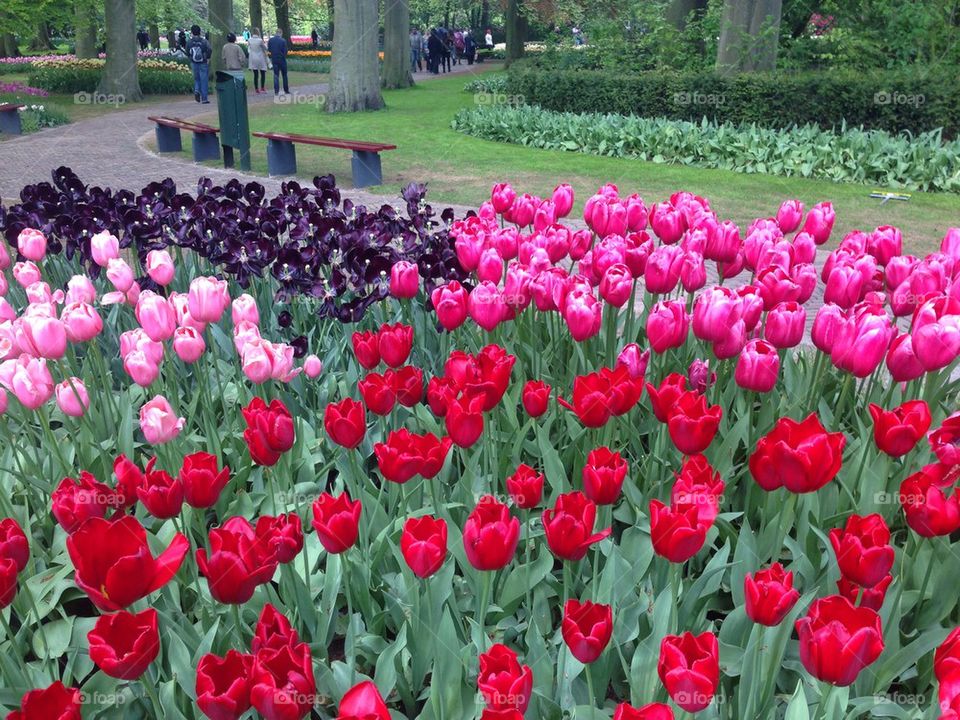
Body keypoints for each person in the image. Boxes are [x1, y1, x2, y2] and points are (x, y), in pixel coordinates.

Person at [186, 25, 212, 104]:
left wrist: (190, 58)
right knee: (204, 80)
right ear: (199, 31)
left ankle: (197, 90)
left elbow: (187, 51)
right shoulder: (204, 41)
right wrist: (207, 58)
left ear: (192, 32)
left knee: (196, 79)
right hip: (203, 62)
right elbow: (210, 49)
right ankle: (204, 99)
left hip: (194, 62)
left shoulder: (189, 42)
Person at [267, 29, 289, 96]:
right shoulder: (283, 41)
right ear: (281, 33)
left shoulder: (271, 40)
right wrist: (283, 55)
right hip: (282, 59)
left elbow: (269, 49)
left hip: (274, 59)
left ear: (276, 33)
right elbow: (285, 51)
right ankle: (286, 90)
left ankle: (276, 91)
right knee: (284, 75)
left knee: (276, 75)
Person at [247, 28, 269, 94]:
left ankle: (256, 88)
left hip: (253, 58)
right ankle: (262, 87)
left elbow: (249, 48)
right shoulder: (260, 40)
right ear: (258, 32)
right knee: (263, 72)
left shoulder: (249, 40)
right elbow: (265, 48)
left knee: (255, 74)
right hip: (260, 57)